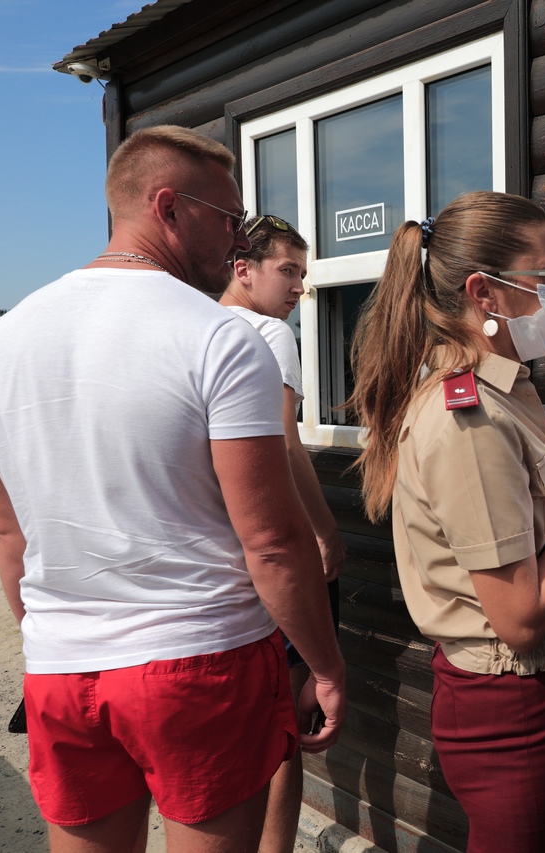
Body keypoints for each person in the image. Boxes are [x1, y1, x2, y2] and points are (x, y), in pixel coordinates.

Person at [0, 125, 346, 853]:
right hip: (200, 657)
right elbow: (271, 541)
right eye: (229, 217)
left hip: (62, 668)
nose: (237, 241)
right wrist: (327, 663)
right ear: (169, 206)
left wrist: (58, 632)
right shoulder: (219, 337)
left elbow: (4, 532)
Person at [345, 191, 545, 853]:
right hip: (509, 708)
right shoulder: (466, 415)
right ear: (486, 292)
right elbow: (519, 618)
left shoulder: (500, 389)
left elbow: (517, 520)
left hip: (523, 701)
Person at [220, 214, 347, 853]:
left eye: (304, 272)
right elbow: (284, 439)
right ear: (244, 269)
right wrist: (324, 529)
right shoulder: (268, 332)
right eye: (288, 270)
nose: (300, 287)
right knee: (285, 724)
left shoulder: (197, 327)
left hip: (218, 565)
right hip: (269, 555)